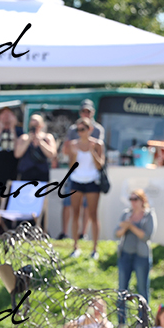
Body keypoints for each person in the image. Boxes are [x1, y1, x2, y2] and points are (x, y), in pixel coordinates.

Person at [59, 99, 106, 240]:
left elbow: (99, 160)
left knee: (90, 210)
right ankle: (66, 235)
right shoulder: (73, 130)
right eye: (83, 111)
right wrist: (72, 151)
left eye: (88, 111)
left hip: (92, 176)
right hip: (76, 175)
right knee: (70, 206)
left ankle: (84, 235)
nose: (86, 113)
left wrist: (90, 150)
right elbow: (68, 154)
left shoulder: (98, 132)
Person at [115, 189, 156, 324]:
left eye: (135, 199)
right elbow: (117, 233)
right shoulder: (126, 214)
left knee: (142, 290)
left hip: (141, 257)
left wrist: (130, 226)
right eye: (131, 199)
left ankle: (143, 322)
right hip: (125, 255)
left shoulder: (148, 215)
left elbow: (146, 236)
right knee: (122, 290)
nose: (132, 202)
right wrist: (126, 226)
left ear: (142, 200)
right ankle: (121, 322)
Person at [67, 118, 105, 259]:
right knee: (75, 213)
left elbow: (100, 165)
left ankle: (94, 249)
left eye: (82, 129)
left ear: (90, 129)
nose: (80, 132)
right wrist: (75, 154)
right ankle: (75, 247)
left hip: (92, 181)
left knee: (93, 215)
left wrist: (92, 151)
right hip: (76, 181)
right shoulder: (73, 144)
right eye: (78, 130)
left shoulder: (98, 144)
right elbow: (71, 166)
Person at [14, 114, 57, 182]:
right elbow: (17, 154)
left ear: (41, 125)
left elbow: (52, 154)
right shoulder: (23, 138)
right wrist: (28, 140)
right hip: (26, 171)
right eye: (33, 125)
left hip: (42, 172)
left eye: (37, 125)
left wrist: (41, 142)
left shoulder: (47, 137)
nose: (35, 128)